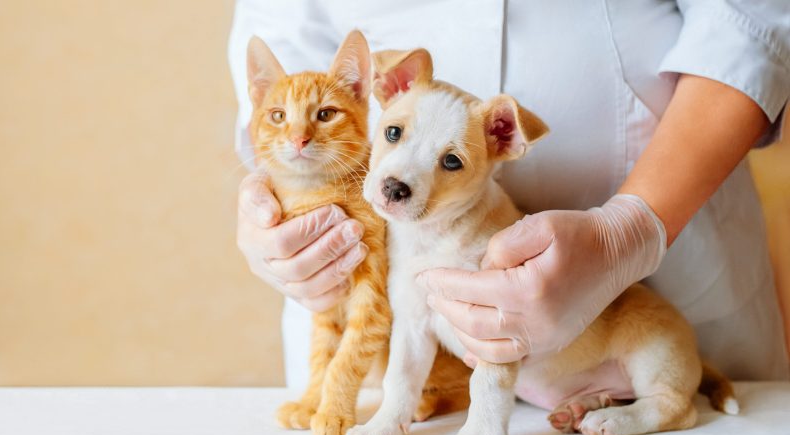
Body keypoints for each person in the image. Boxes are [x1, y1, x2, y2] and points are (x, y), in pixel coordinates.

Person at [230, 0, 790, 388]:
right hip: (382, 295)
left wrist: (635, 228)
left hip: (675, 238)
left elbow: (749, 20)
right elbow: (277, 58)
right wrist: (275, 201)